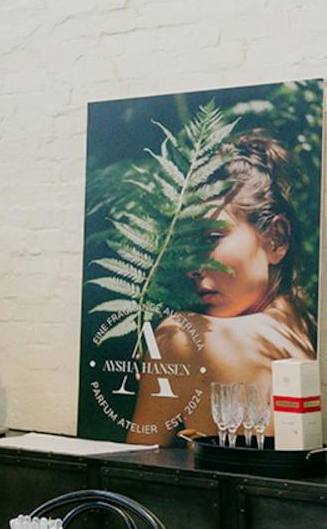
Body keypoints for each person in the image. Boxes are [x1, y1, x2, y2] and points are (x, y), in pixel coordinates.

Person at [129, 132, 317, 446]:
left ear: (276, 238)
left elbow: (129, 480)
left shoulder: (184, 338)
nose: (192, 265)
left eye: (211, 238)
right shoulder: (309, 328)